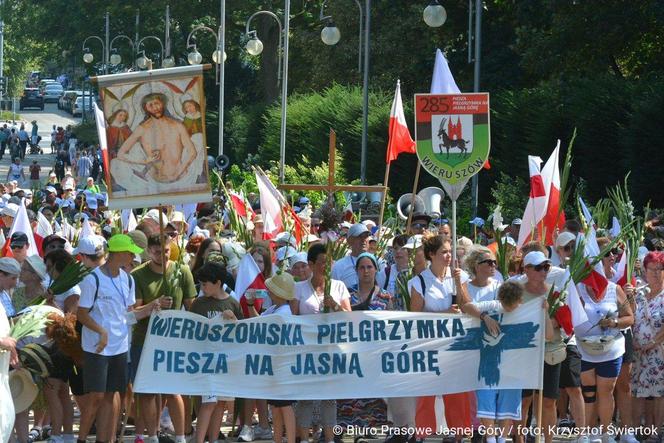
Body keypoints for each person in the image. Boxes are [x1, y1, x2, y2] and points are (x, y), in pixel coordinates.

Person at [462, 281, 554, 443]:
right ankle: (491, 439)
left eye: (513, 304)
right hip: (488, 367)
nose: (510, 307)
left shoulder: (527, 310)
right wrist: (485, 317)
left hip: (514, 369)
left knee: (507, 407)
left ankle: (502, 439)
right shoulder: (492, 305)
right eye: (506, 304)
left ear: (520, 300)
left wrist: (545, 313)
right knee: (486, 405)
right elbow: (466, 307)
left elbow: (548, 335)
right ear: (501, 298)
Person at [76, 234, 143, 443]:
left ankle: (107, 439)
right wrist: (101, 331)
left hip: (120, 346)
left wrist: (151, 308)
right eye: (130, 253)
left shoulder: (128, 279)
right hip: (97, 347)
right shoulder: (93, 278)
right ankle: (81, 439)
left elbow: (129, 314)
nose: (133, 257)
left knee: (113, 395)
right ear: (120, 253)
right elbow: (81, 314)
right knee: (96, 396)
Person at [131, 234, 196, 443]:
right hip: (144, 340)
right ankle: (151, 436)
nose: (162, 256)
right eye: (157, 252)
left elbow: (191, 306)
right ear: (149, 251)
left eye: (166, 251)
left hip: (173, 340)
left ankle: (180, 436)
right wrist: (153, 305)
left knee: (174, 390)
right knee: (147, 391)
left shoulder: (182, 271)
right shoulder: (137, 275)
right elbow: (134, 310)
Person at [293, 243, 351, 443]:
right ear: (311, 264)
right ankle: (304, 439)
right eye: (322, 262)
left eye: (329, 262)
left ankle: (328, 439)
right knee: (306, 398)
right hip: (306, 351)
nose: (326, 266)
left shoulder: (339, 286)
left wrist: (334, 305)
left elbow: (349, 319)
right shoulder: (299, 288)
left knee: (329, 397)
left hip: (330, 350)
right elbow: (291, 318)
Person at [188, 261, 243, 443]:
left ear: (218, 283)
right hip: (205, 362)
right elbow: (189, 329)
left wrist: (233, 319)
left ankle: (213, 439)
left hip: (226, 362)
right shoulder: (198, 304)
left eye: (205, 284)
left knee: (220, 403)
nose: (202, 288)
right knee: (209, 401)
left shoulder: (233, 303)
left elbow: (242, 334)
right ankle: (199, 439)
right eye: (201, 284)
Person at [112, 93, 203, 191]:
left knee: (198, 138)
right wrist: (144, 161)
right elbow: (121, 153)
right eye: (150, 105)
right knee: (115, 163)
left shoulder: (177, 125)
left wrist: (178, 172)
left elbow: (192, 152)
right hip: (154, 182)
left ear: (163, 104)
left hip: (182, 179)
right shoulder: (142, 129)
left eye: (157, 103)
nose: (155, 107)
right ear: (146, 108)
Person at [630, 252, 664, 434]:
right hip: (637, 351)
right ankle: (636, 431)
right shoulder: (638, 293)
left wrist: (651, 343)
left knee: (658, 393)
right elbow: (631, 317)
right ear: (645, 270)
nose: (657, 273)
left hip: (658, 352)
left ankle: (656, 432)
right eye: (653, 269)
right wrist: (635, 342)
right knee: (637, 391)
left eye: (660, 269)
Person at [0, 258, 21, 443]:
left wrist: (11, 349)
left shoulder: (4, 296)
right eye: (12, 278)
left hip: (2, 371)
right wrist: (1, 342)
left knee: (6, 418)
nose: (15, 283)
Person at [331, 223, 371, 291]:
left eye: (366, 236)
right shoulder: (339, 266)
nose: (363, 239)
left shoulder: (376, 262)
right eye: (359, 236)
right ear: (349, 241)